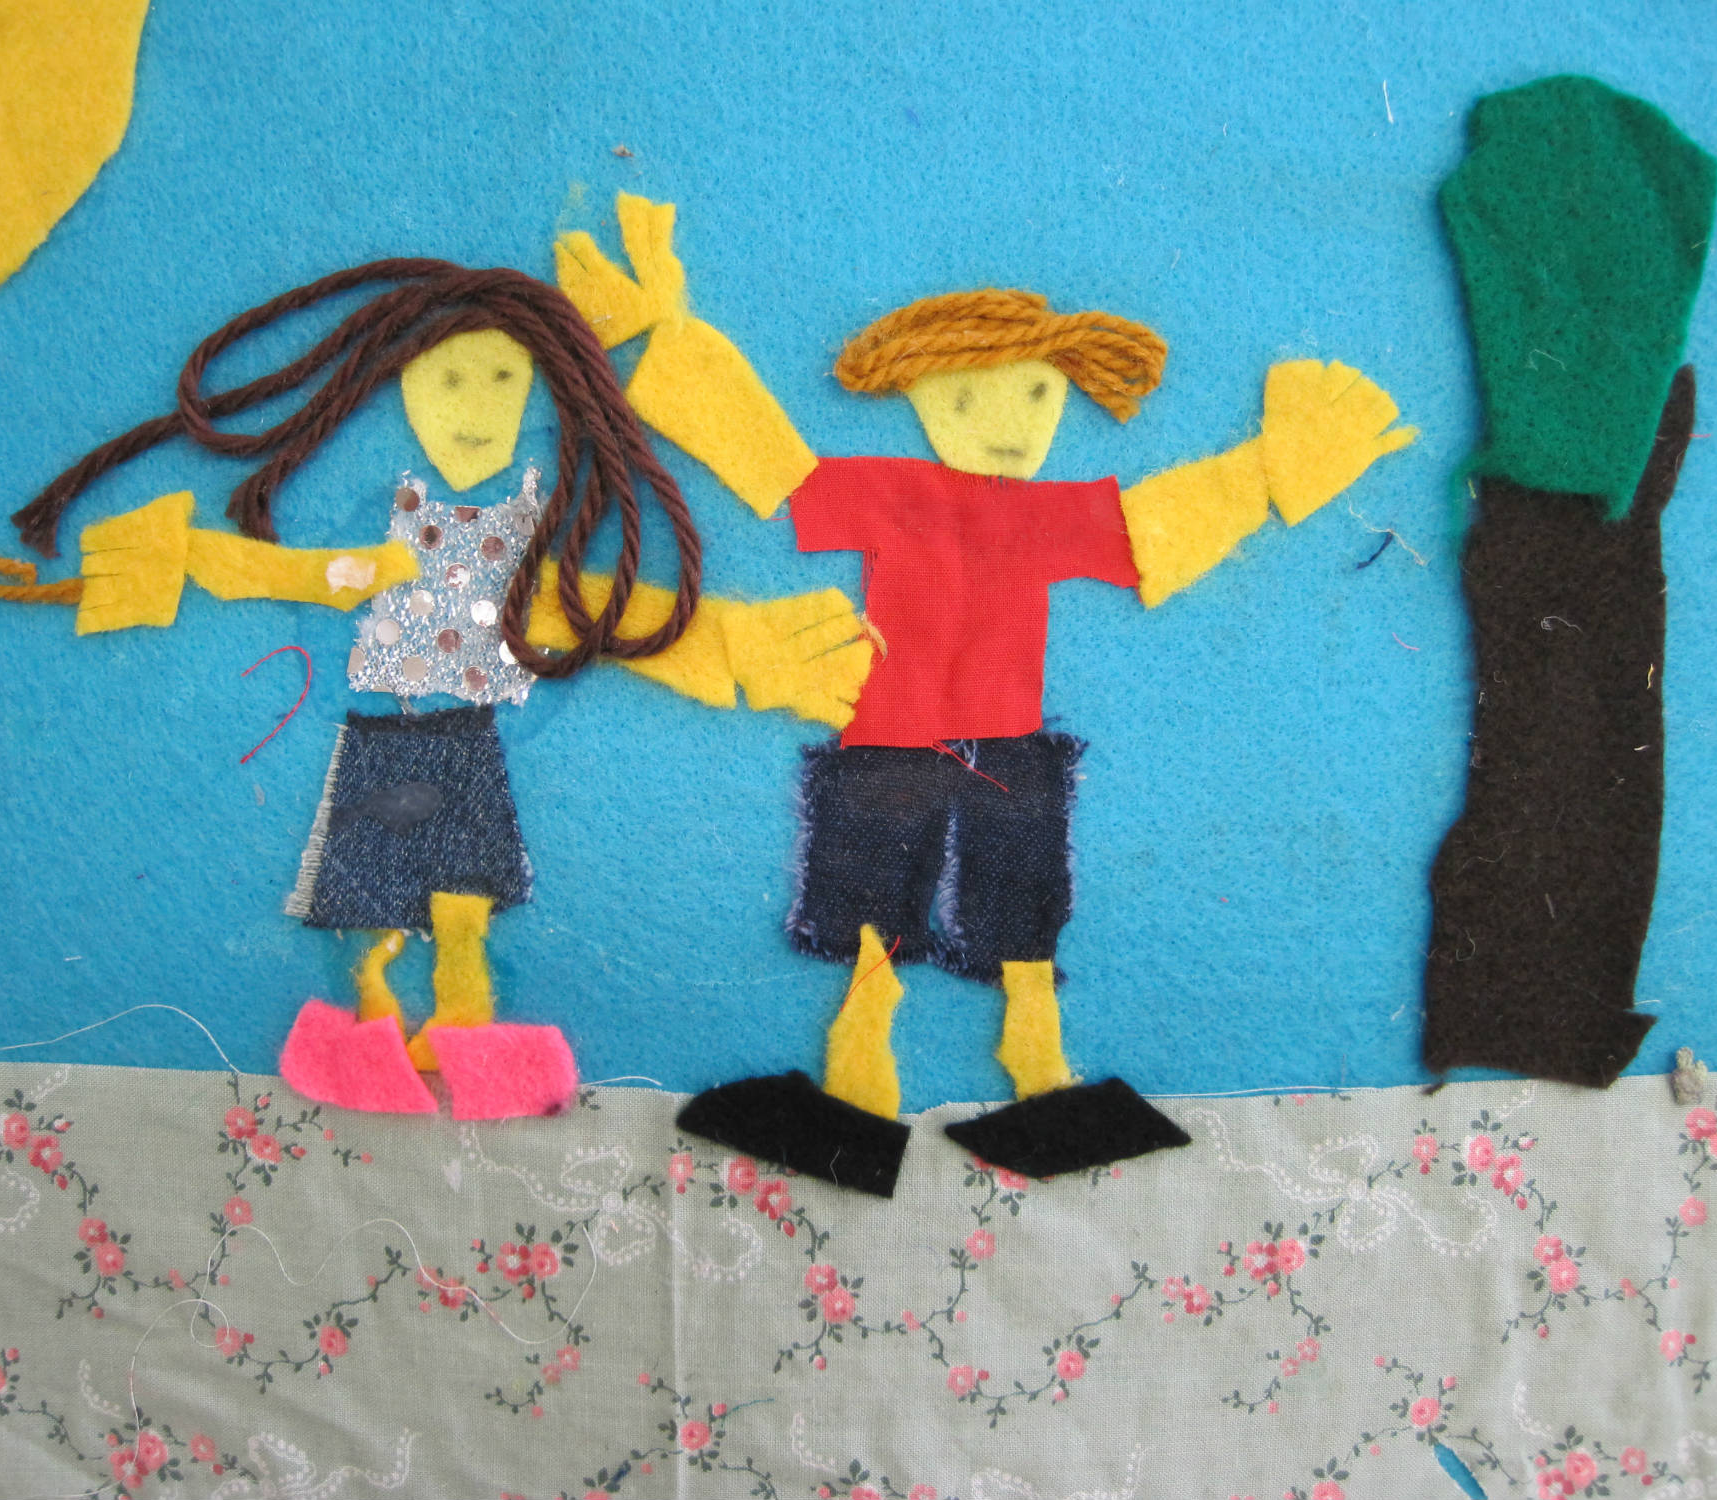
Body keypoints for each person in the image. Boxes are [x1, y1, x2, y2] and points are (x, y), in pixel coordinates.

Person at [545, 197, 1416, 1190]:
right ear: (920, 395)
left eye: (1036, 396)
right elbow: (773, 463)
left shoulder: (1039, 516)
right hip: (892, 744)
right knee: (875, 932)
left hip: (986, 748)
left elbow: (1152, 526)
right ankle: (862, 1100)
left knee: (1016, 928)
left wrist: (1269, 470)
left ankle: (1034, 1087)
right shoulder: (897, 496)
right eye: (969, 399)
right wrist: (666, 335)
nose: (1008, 424)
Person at [0, 258, 872, 1121]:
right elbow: (279, 572)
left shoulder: (528, 549)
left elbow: (605, 619)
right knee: (375, 904)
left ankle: (463, 1035)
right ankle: (368, 1035)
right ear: (402, 382)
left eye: (504, 379)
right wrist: (151, 561)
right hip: (388, 739)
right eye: (448, 377)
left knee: (464, 902)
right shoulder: (394, 538)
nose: (476, 404)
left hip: (465, 738)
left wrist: (742, 645)